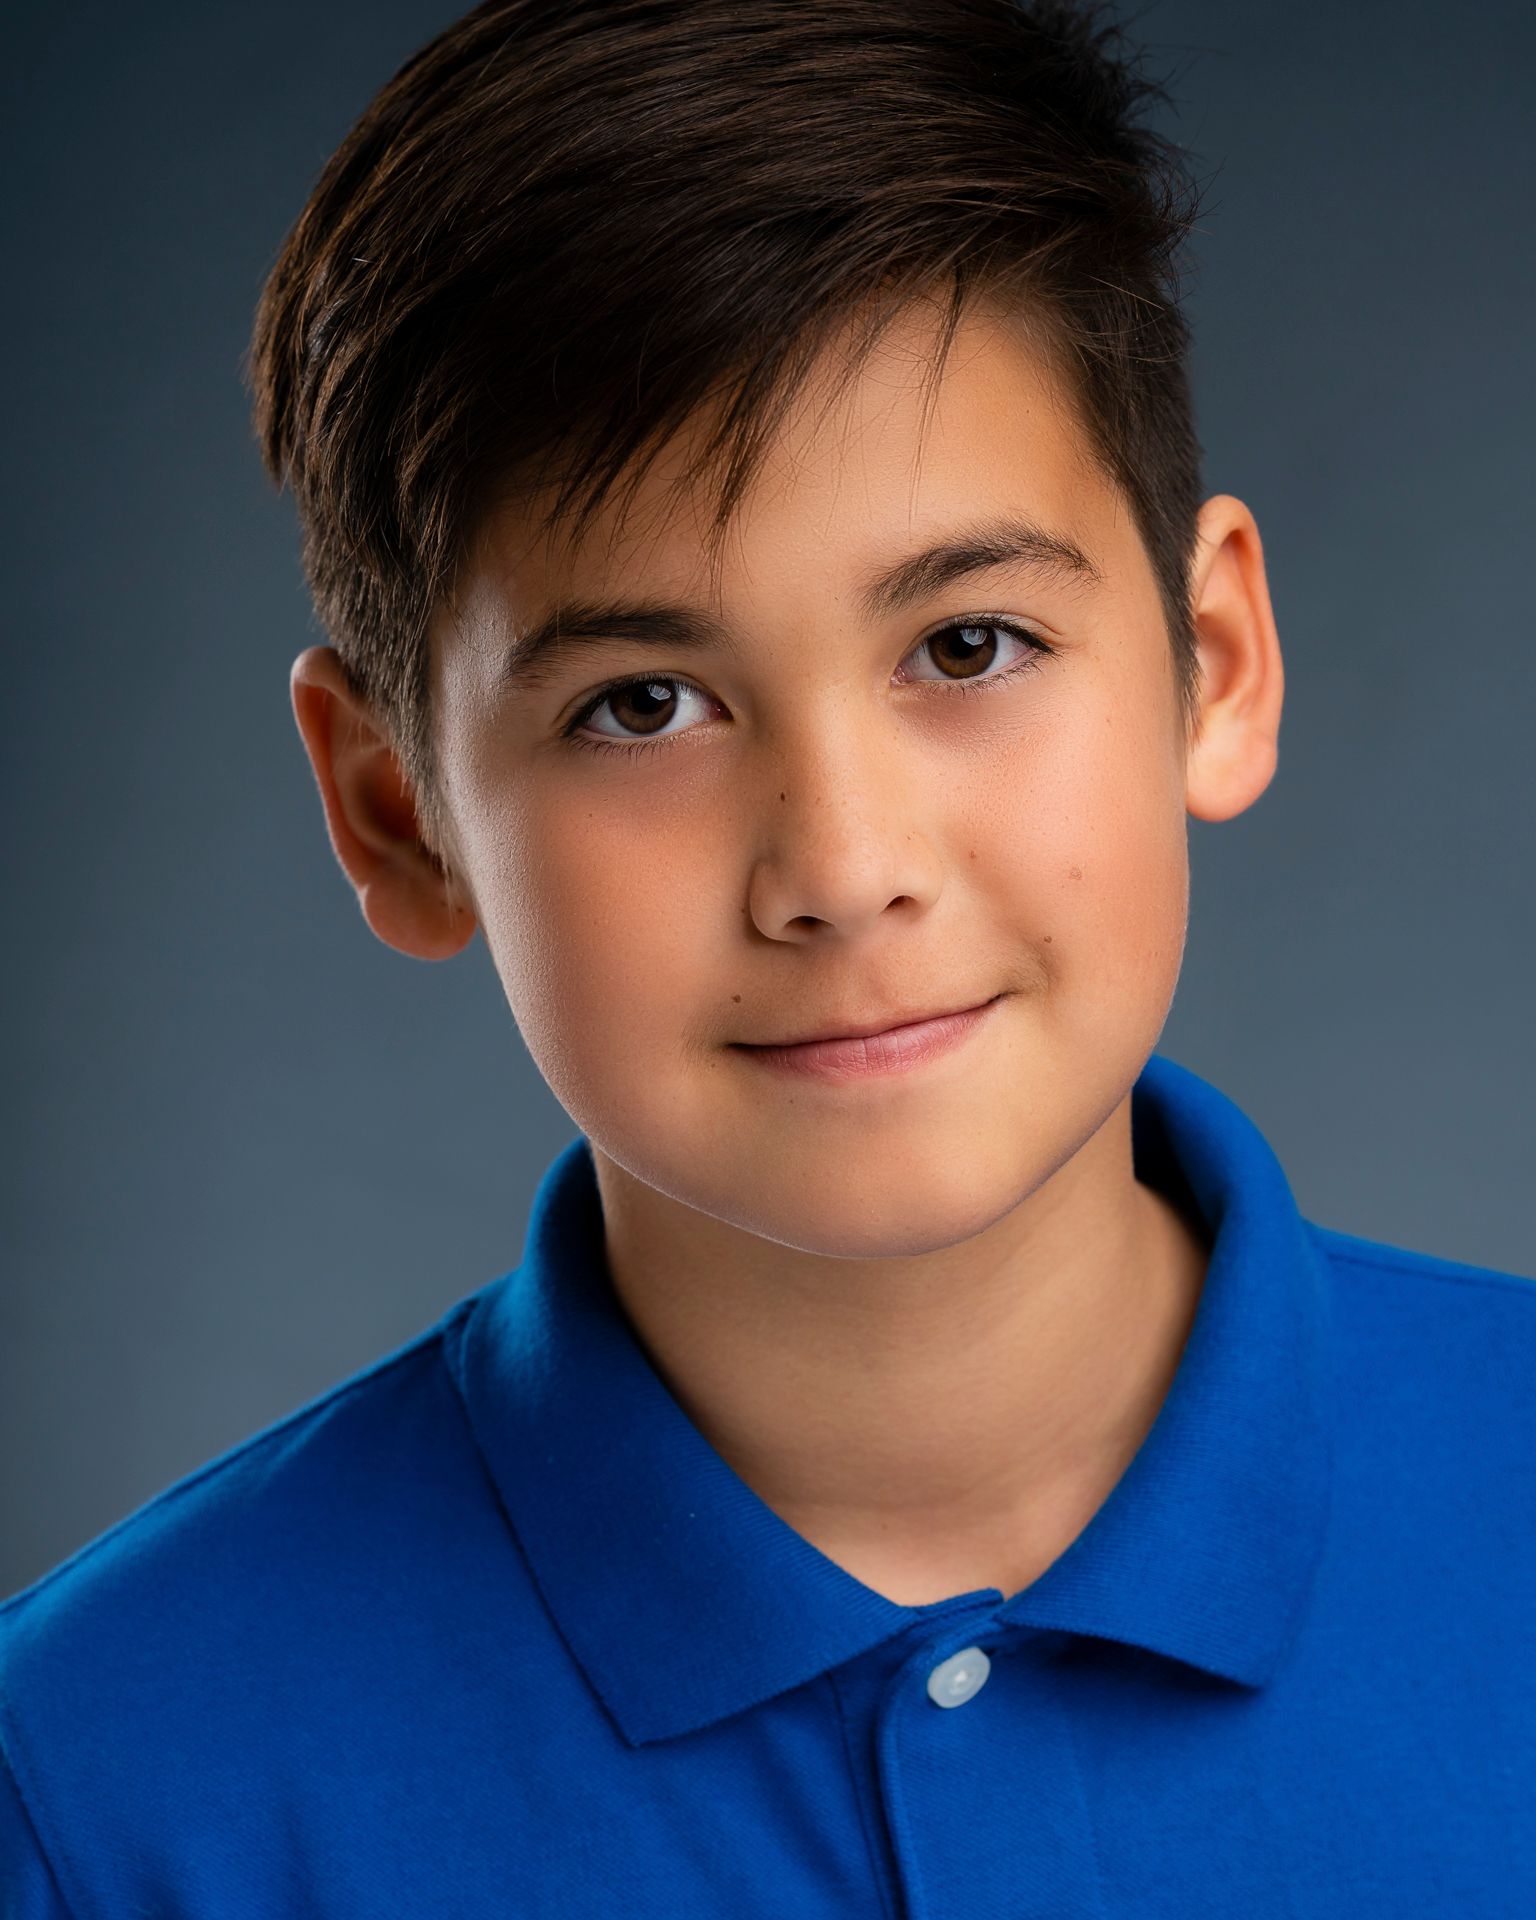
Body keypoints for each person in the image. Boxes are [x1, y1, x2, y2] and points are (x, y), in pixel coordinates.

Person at [4, 1, 1533, 1911]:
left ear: (1211, 663)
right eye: (644, 704)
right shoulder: (93, 1785)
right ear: (398, 816)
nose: (844, 868)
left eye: (967, 645)